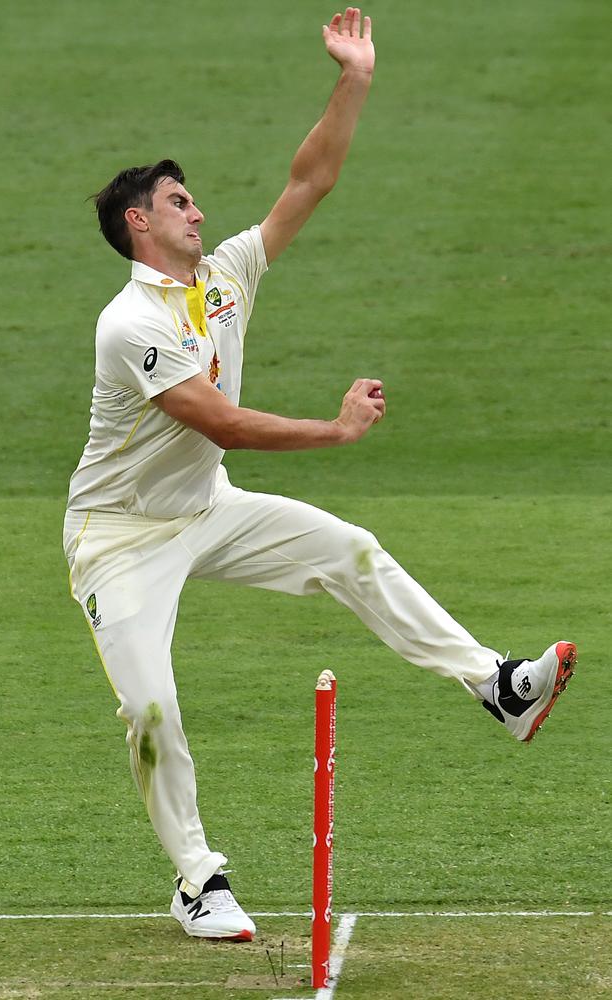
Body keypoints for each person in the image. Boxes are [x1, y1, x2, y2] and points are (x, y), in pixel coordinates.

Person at [63, 8, 577, 942]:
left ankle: (498, 685)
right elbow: (216, 420)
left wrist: (356, 79)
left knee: (353, 550)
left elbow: (312, 179)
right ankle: (196, 880)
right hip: (121, 537)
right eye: (181, 202)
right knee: (149, 706)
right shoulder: (127, 324)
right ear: (139, 222)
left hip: (204, 507)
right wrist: (334, 433)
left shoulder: (224, 276)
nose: (201, 211)